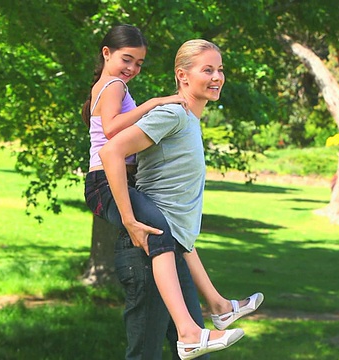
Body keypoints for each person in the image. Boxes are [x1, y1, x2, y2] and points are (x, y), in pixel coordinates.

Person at [98, 37, 262, 359]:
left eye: (220, 70)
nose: (217, 77)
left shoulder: (189, 121)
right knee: (146, 354)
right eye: (208, 70)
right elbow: (112, 151)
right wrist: (130, 220)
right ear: (183, 76)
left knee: (195, 351)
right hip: (148, 250)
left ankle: (219, 307)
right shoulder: (172, 114)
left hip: (173, 253)